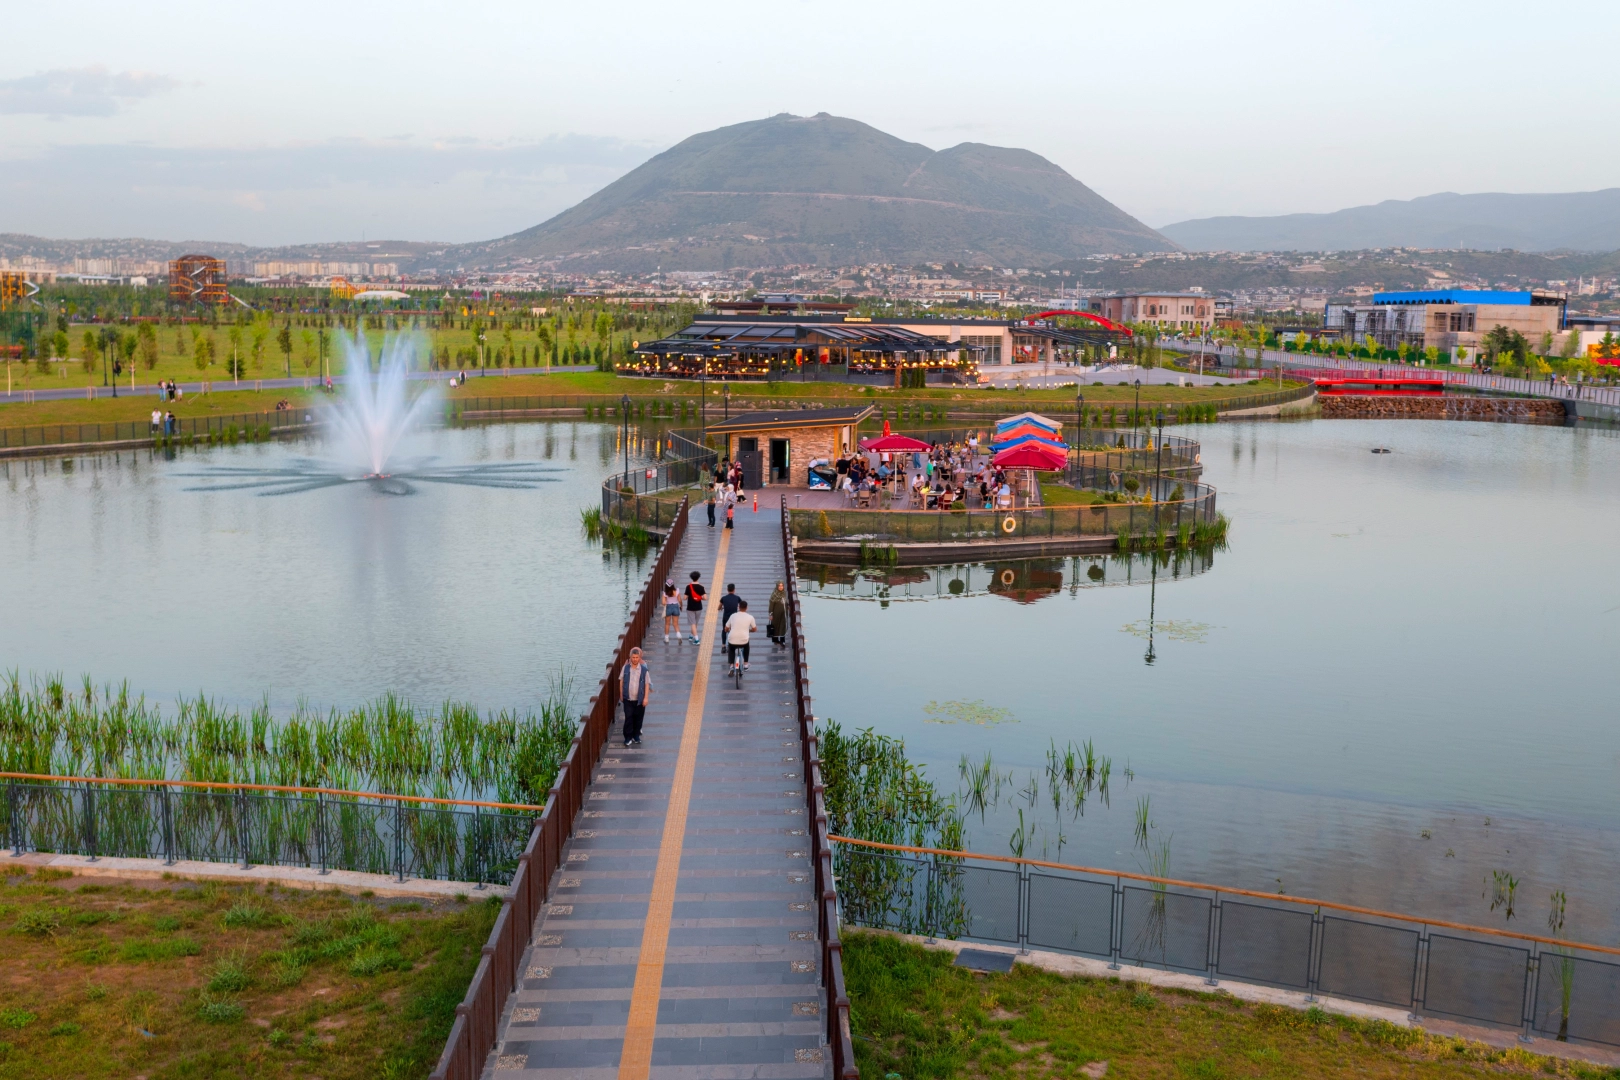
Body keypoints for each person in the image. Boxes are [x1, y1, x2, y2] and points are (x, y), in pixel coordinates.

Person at [620, 647, 651, 747]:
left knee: (638, 718)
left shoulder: (644, 670)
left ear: (639, 658)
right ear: (630, 657)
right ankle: (627, 737)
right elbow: (621, 681)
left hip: (639, 699)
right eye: (633, 657)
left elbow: (647, 684)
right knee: (628, 717)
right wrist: (621, 694)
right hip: (628, 698)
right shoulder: (625, 668)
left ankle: (636, 736)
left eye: (637, 657)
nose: (635, 659)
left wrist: (646, 698)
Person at [724, 599, 756, 671]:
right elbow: (754, 629)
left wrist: (727, 630)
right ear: (747, 608)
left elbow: (726, 627)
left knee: (731, 649)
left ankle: (731, 665)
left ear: (738, 607)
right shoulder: (750, 617)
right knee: (746, 647)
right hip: (743, 640)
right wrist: (749, 630)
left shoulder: (733, 616)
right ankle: (746, 664)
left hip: (732, 639)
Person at [684, 570, 706, 644]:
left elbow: (685, 598)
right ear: (698, 577)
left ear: (691, 578)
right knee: (695, 623)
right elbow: (705, 598)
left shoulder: (688, 586)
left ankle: (697, 639)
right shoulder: (701, 587)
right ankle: (691, 635)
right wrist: (699, 597)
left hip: (690, 607)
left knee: (693, 623)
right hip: (699, 607)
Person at [768, 582, 787, 648]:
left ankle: (782, 640)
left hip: (783, 614)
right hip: (776, 614)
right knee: (775, 626)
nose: (781, 587)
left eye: (782, 586)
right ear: (777, 586)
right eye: (779, 586)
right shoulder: (774, 595)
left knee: (782, 626)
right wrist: (771, 614)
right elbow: (771, 605)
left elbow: (785, 602)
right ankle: (775, 639)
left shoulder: (784, 593)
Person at [662, 579, 680, 643]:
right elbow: (679, 600)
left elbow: (663, 603)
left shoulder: (665, 593)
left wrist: (666, 601)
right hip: (676, 606)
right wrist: (681, 606)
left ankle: (666, 638)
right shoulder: (677, 591)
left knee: (667, 624)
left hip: (668, 607)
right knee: (676, 624)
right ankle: (678, 635)